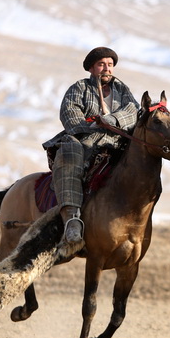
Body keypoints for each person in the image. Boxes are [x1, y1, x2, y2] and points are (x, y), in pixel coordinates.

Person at [43, 47, 140, 244]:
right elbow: (69, 113)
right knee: (69, 150)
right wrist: (92, 126)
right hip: (85, 139)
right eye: (102, 64)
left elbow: (133, 111)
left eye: (110, 65)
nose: (107, 69)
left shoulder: (122, 89)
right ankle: (71, 219)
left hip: (117, 140)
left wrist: (111, 120)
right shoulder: (79, 88)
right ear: (91, 68)